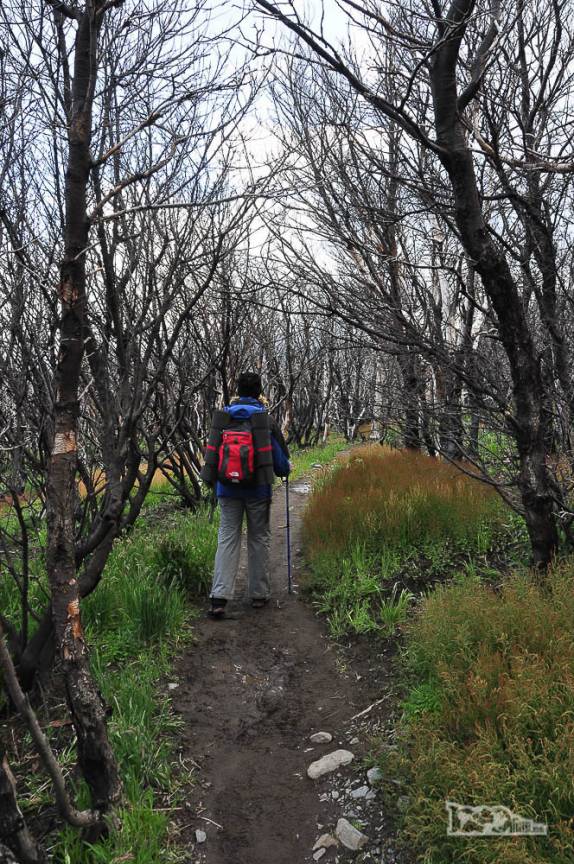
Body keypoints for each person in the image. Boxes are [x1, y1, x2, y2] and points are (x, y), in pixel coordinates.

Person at [204, 372, 290, 618]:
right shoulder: (264, 419)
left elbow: (212, 451)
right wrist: (285, 469)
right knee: (258, 538)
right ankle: (259, 595)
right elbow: (280, 461)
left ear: (238, 390)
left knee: (227, 538)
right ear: (258, 391)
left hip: (226, 489)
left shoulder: (224, 417)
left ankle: (219, 598)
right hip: (258, 489)